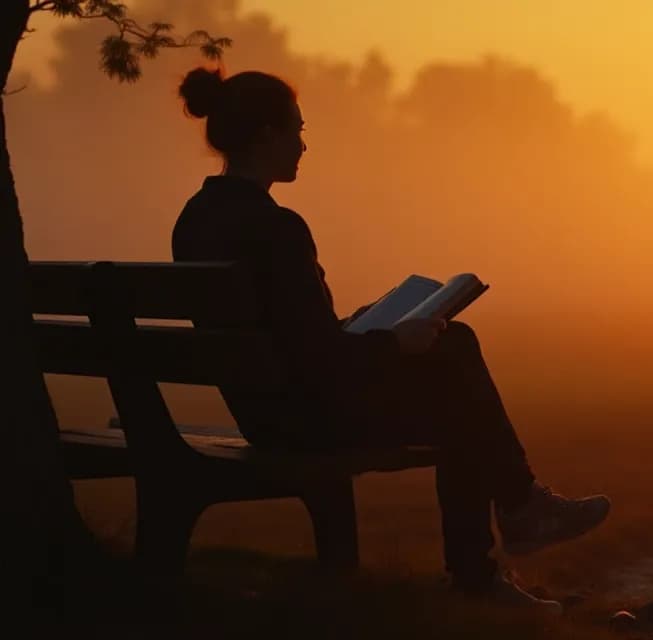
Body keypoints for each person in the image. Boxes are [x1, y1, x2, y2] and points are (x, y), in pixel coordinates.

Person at [169, 67, 609, 611]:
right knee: (456, 364)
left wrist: (365, 326)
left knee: (452, 363)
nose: (304, 145)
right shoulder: (275, 227)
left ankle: (514, 523)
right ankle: (503, 538)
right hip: (304, 419)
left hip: (262, 408)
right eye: (297, 130)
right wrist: (394, 342)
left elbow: (290, 336)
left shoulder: (195, 219)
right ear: (266, 135)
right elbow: (318, 360)